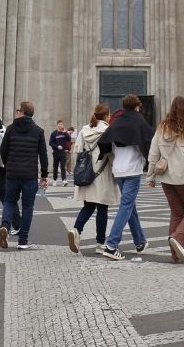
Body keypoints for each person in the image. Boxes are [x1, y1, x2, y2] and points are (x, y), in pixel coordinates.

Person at [97, 94, 153, 260]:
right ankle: (111, 244)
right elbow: (149, 142)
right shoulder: (140, 121)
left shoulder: (117, 122)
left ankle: (140, 241)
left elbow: (105, 141)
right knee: (126, 206)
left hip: (118, 170)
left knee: (129, 206)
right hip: (133, 170)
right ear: (137, 107)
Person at [149, 96, 184, 263]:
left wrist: (151, 177)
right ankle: (179, 238)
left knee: (176, 212)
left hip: (167, 179)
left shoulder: (161, 130)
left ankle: (174, 253)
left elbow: (153, 155)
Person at [0, 100, 51, 250]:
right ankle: (23, 240)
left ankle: (5, 226)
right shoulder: (38, 131)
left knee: (9, 201)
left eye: (18, 110)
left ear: (22, 112)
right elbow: (43, 155)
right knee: (28, 207)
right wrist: (44, 174)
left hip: (13, 173)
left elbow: (3, 150)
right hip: (30, 175)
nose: (17, 112)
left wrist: (8, 164)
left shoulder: (11, 129)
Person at [66, 102, 116, 253]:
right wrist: (115, 171)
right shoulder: (108, 130)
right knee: (102, 208)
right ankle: (100, 243)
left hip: (87, 173)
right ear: (107, 116)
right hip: (102, 174)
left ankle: (76, 230)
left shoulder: (84, 130)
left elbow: (76, 151)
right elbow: (111, 153)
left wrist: (78, 170)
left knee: (88, 206)